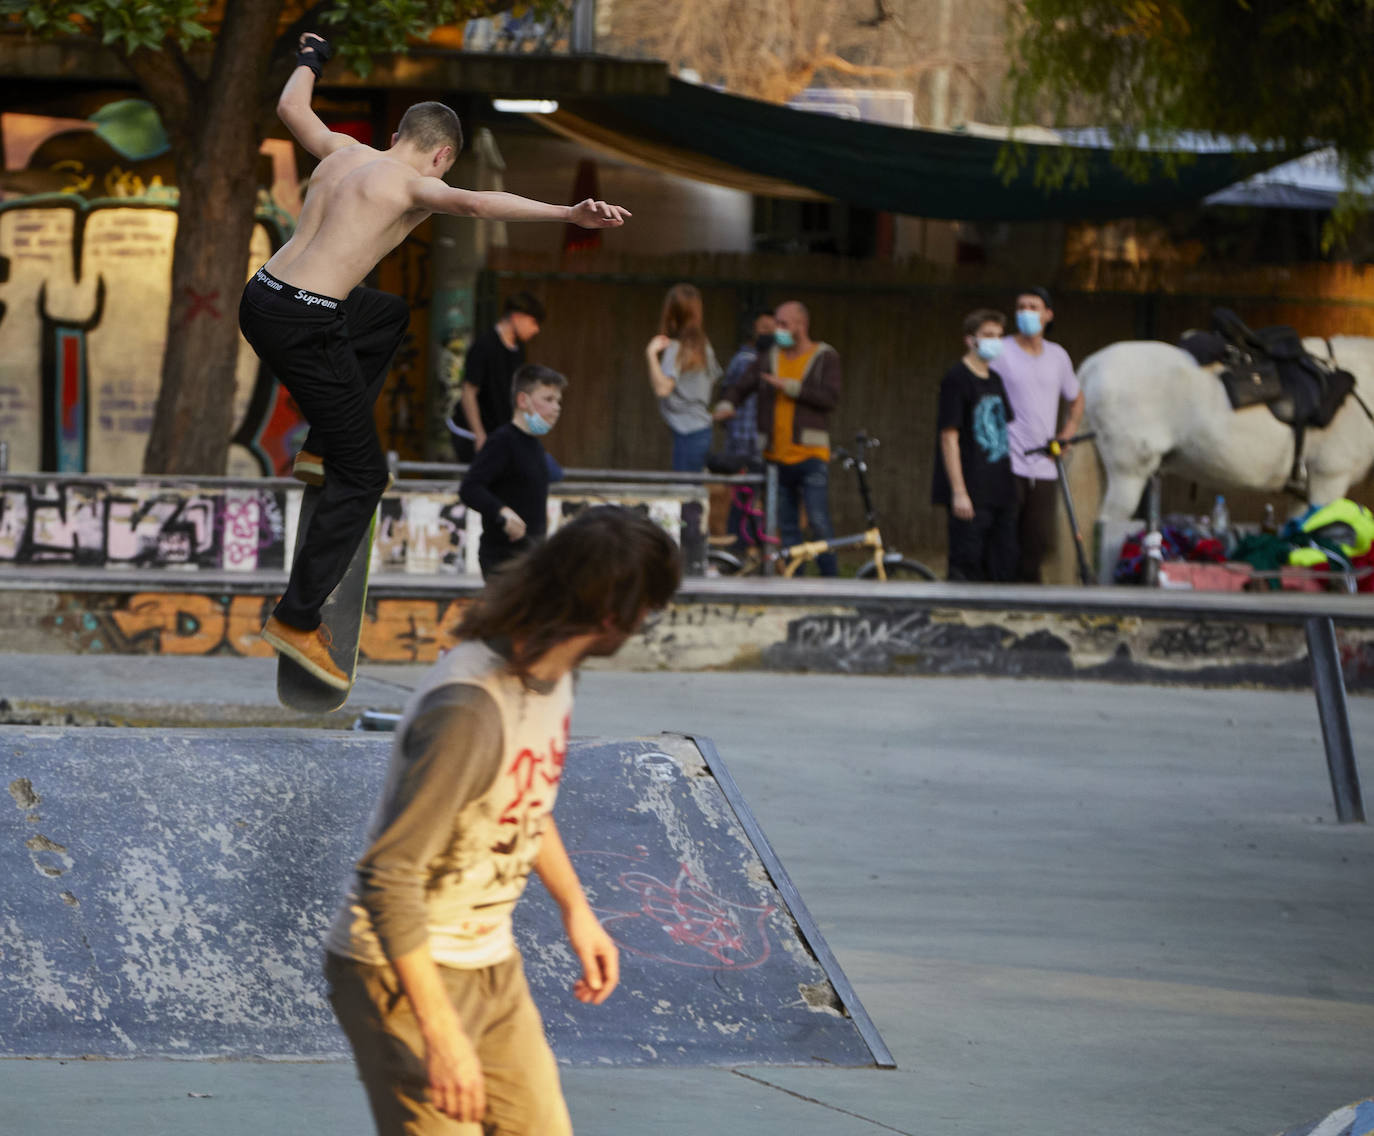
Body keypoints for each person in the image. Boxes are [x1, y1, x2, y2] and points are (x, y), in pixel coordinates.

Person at [240, 32, 629, 689]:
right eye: (445, 167)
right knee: (363, 477)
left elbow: (292, 111)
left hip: (266, 295)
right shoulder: (413, 186)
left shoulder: (345, 152)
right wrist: (568, 211)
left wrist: (311, 56)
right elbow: (478, 203)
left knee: (385, 313)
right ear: (442, 154)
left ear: (398, 133)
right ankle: (297, 617)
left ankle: (322, 442)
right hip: (306, 321)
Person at [323, 506, 681, 1136]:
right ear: (613, 618)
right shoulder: (469, 713)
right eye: (649, 609)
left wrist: (576, 909)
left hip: (491, 964)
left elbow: (523, 802)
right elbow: (389, 875)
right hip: (401, 976)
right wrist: (442, 1035)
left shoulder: (554, 674)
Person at [714, 300, 842, 576]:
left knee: (818, 521)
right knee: (787, 525)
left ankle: (832, 580)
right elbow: (741, 386)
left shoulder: (824, 356)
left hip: (810, 456)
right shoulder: (769, 357)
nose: (778, 331)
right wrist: (727, 405)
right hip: (775, 457)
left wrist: (791, 387)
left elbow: (830, 398)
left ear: (801, 325)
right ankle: (796, 580)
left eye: (784, 324)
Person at [997, 286, 1085, 584]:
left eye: (1033, 307)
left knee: (1035, 542)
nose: (1025, 312)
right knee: (1006, 540)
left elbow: (1076, 398)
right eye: (1021, 306)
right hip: (1008, 461)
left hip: (1045, 464)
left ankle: (1030, 604)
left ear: (1048, 314)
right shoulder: (1002, 350)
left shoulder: (1058, 357)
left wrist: (1067, 433)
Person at [932, 310, 1018, 582]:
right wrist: (959, 491)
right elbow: (949, 436)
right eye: (988, 336)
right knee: (967, 564)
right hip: (971, 490)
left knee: (1001, 564)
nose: (995, 341)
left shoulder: (995, 380)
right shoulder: (957, 379)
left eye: (999, 336)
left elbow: (1006, 426)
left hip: (1000, 488)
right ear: (970, 340)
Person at [459, 363, 565, 579]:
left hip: (531, 555)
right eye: (548, 399)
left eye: (558, 401)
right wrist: (502, 513)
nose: (556, 407)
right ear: (523, 400)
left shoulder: (535, 445)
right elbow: (469, 488)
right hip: (504, 558)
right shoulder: (502, 441)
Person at [453, 292, 545, 459]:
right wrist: (479, 434)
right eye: (533, 322)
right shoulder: (485, 345)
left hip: (500, 432)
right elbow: (469, 392)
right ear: (517, 317)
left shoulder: (519, 350)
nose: (536, 329)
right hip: (474, 434)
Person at [645, 283, 721, 472]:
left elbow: (662, 388)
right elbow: (713, 379)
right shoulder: (703, 346)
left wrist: (651, 354)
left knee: (685, 495)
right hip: (701, 431)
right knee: (692, 493)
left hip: (688, 433)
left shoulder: (677, 349)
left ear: (670, 313)